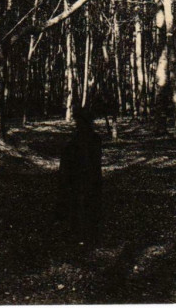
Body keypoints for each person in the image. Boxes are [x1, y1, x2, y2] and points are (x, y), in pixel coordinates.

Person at [57, 105, 102, 246]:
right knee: (83, 205)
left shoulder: (83, 140)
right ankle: (83, 233)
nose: (78, 124)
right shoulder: (90, 139)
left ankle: (82, 234)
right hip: (84, 177)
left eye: (79, 122)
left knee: (82, 204)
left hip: (82, 177)